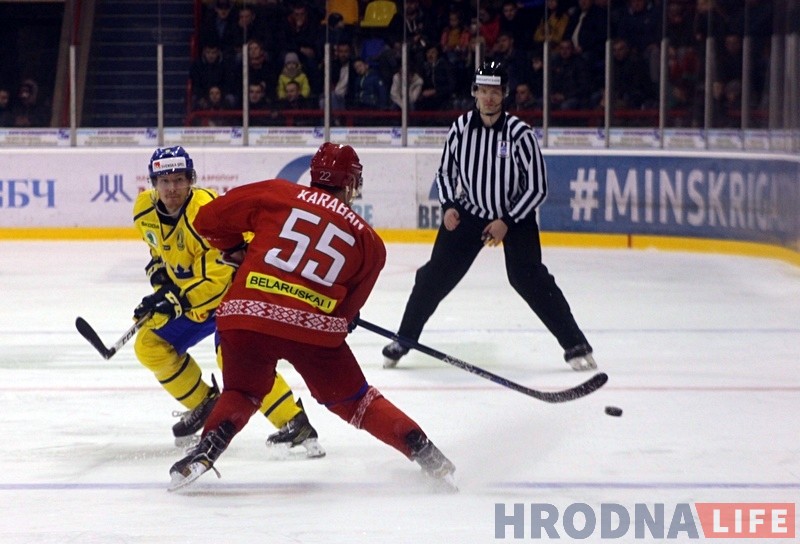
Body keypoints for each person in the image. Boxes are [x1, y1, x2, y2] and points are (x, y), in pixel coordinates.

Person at [168, 142, 456, 491]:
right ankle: (424, 451)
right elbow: (347, 312)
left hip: (248, 315)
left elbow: (207, 219)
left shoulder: (276, 192)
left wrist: (235, 249)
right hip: (314, 332)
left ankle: (208, 445)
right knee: (357, 402)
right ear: (350, 183)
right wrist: (339, 316)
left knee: (243, 391)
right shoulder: (370, 243)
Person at [381, 62, 597, 373]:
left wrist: (506, 221)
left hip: (514, 219)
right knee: (432, 277)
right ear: (475, 93)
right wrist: (449, 205)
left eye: (495, 92)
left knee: (529, 277)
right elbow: (444, 173)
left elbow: (537, 187)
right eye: (483, 91)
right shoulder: (460, 128)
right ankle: (404, 339)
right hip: (469, 214)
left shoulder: (520, 134)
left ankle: (575, 343)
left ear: (504, 94)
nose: (489, 98)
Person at [132, 145, 325, 458]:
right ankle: (204, 404)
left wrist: (175, 300)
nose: (172, 188)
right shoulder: (144, 210)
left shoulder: (205, 214)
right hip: (195, 298)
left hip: (235, 293)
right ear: (153, 184)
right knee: (149, 344)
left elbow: (220, 279)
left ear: (191, 180)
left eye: (179, 179)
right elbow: (159, 254)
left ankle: (294, 422)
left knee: (235, 360)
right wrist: (161, 286)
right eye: (164, 181)